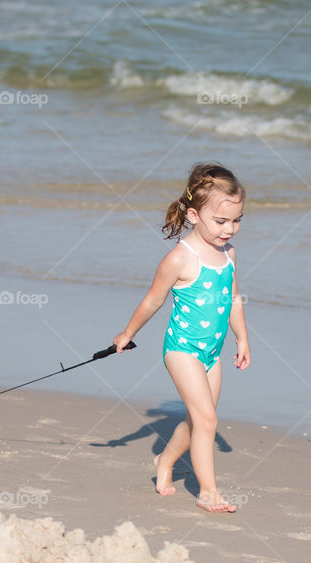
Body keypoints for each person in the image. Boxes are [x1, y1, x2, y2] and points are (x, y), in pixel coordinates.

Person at [113, 163, 250, 513]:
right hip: (182, 350)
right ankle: (208, 492)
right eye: (220, 222)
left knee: (197, 420)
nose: (229, 229)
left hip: (211, 352)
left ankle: (164, 462)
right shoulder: (179, 258)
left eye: (236, 220)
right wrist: (127, 334)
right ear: (193, 214)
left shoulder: (229, 254)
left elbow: (233, 298)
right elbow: (153, 300)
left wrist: (242, 339)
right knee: (207, 420)